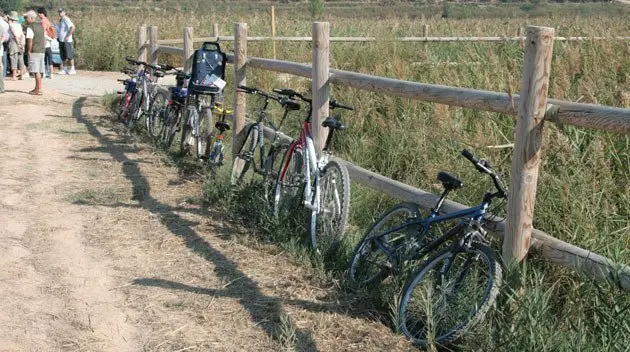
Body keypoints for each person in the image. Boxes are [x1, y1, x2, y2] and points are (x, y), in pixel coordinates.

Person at [24, 10, 45, 95]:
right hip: (41, 51)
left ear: (31, 18)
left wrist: (29, 50)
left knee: (36, 71)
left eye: (26, 17)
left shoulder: (30, 27)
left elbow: (30, 40)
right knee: (39, 71)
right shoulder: (40, 26)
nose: (25, 19)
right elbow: (44, 38)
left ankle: (38, 89)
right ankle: (37, 88)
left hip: (35, 51)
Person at [7, 11, 25, 80]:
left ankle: (14, 76)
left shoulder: (11, 25)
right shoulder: (19, 25)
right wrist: (22, 44)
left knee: (13, 57)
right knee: (20, 58)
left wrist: (18, 43)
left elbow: (14, 35)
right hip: (20, 41)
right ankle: (21, 75)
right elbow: (22, 35)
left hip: (14, 42)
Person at [36, 7, 54, 78]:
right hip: (48, 42)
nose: (38, 15)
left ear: (42, 13)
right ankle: (51, 74)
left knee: (43, 59)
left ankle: (43, 73)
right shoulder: (47, 20)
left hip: (44, 41)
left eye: (39, 13)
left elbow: (43, 32)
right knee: (49, 59)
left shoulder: (43, 21)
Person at [57, 8, 75, 75]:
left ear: (64, 12)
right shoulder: (61, 20)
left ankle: (72, 69)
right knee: (63, 56)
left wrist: (68, 36)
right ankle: (64, 69)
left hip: (66, 41)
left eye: (61, 12)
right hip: (61, 40)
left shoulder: (66, 19)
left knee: (69, 55)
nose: (60, 13)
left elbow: (72, 27)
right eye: (59, 12)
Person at [0, 10, 9, 93]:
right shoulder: (4, 24)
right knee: (1, 65)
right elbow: (5, 36)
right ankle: (1, 87)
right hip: (2, 47)